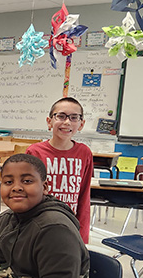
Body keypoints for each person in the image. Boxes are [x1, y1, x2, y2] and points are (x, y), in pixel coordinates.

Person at [26, 97, 93, 243]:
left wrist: (82, 235)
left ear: (81, 124)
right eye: (61, 116)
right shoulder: (35, 152)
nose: (67, 122)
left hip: (70, 226)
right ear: (49, 121)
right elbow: (27, 195)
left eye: (74, 117)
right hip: (40, 226)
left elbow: (84, 194)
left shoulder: (84, 152)